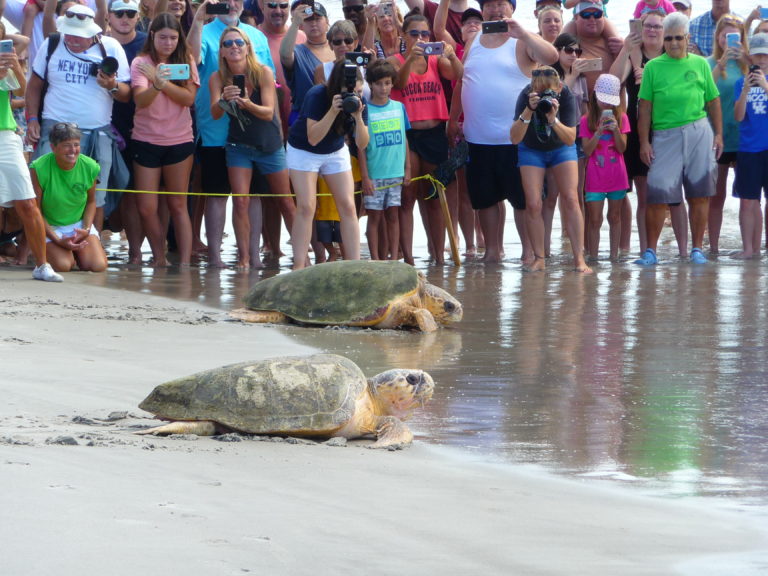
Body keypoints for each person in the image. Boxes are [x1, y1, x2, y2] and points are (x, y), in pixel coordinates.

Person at [449, 0, 559, 264]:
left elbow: (552, 57)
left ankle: (528, 253)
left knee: (522, 201)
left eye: (502, 4)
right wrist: (452, 120)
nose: (496, 9)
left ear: (512, 9)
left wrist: (524, 33)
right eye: (490, 4)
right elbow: (464, 80)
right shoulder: (474, 39)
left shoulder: (521, 39)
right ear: (482, 9)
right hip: (478, 137)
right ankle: (492, 252)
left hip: (517, 138)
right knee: (485, 199)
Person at [25, 4, 131, 233]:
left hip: (97, 131)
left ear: (92, 32)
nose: (72, 40)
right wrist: (32, 118)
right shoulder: (52, 43)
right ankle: (40, 246)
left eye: (78, 36)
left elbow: (126, 95)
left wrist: (112, 85)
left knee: (97, 196)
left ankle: (91, 242)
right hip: (54, 129)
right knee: (42, 191)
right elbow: (34, 85)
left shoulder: (111, 47)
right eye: (69, 34)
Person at [187, 0, 275, 268]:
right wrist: (198, 20)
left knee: (253, 196)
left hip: (253, 134)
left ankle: (252, 256)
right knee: (216, 194)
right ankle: (215, 257)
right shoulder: (204, 31)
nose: (232, 4)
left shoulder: (256, 36)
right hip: (215, 131)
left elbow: (271, 85)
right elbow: (191, 59)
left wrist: (276, 132)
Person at [636, 11, 723, 266]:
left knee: (699, 193)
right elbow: (644, 107)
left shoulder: (700, 64)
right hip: (665, 135)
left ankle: (697, 250)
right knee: (658, 194)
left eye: (678, 38)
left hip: (699, 132)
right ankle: (651, 252)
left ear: (687, 38)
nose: (673, 43)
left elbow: (713, 100)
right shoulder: (653, 67)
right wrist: (644, 142)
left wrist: (719, 134)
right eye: (669, 38)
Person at [610, 9, 688, 257]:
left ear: (666, 31)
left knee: (674, 195)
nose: (653, 30)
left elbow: (685, 89)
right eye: (648, 26)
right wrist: (625, 49)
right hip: (636, 130)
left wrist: (654, 79)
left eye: (658, 26)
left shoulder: (672, 55)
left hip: (667, 128)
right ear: (640, 29)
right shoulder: (634, 54)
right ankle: (647, 251)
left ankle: (684, 252)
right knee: (644, 195)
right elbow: (611, 84)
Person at [388, 11, 462, 265]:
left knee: (434, 196)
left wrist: (451, 55)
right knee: (407, 198)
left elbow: (457, 75)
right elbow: (398, 84)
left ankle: (438, 256)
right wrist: (410, 58)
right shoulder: (394, 60)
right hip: (407, 133)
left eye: (424, 34)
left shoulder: (434, 60)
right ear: (403, 35)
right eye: (414, 34)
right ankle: (408, 258)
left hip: (433, 132)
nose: (420, 39)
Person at [210, 27, 287, 269]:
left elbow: (268, 112)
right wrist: (224, 99)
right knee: (240, 201)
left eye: (239, 42)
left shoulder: (262, 72)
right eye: (228, 43)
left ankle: (303, 259)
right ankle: (244, 258)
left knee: (285, 201)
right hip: (238, 145)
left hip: (269, 144)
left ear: (247, 47)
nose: (234, 46)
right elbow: (214, 113)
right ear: (222, 51)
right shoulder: (217, 78)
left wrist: (246, 103)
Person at [286, 60, 368, 269]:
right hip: (303, 149)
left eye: (359, 91)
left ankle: (354, 265)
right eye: (349, 93)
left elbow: (362, 143)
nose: (353, 96)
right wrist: (333, 111)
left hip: (335, 149)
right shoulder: (317, 95)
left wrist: (358, 118)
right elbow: (313, 138)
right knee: (306, 206)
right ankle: (299, 266)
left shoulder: (359, 101)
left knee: (348, 205)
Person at [130, 12, 198, 266]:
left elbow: (188, 99)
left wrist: (162, 82)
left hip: (179, 140)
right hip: (146, 139)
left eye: (173, 38)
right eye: (163, 38)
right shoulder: (141, 62)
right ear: (152, 36)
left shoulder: (185, 61)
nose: (168, 43)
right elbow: (140, 100)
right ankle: (159, 257)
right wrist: (156, 86)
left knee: (178, 204)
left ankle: (184, 263)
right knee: (146, 207)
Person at [510, 66, 591, 273]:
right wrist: (528, 110)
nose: (544, 95)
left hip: (561, 147)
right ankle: (539, 258)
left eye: (549, 91)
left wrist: (553, 119)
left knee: (571, 198)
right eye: (540, 91)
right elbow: (514, 138)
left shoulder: (566, 95)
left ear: (559, 87)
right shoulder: (525, 95)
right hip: (531, 149)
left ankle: (579, 259)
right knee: (533, 203)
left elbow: (571, 138)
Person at [0, 40, 63, 281]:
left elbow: (20, 92)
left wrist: (15, 67)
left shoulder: (4, 62)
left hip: (5, 135)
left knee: (27, 202)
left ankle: (42, 265)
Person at [29, 122, 108, 273]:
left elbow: (91, 202)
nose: (73, 150)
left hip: (78, 225)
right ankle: (58, 252)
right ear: (53, 148)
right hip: (50, 226)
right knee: (63, 266)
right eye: (66, 145)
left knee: (98, 266)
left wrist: (86, 229)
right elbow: (36, 210)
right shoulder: (38, 167)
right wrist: (57, 240)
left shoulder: (90, 166)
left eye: (76, 145)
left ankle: (77, 253)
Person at [105, 0, 146, 264]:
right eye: (119, 13)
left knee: (133, 194)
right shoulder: (99, 42)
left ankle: (135, 253)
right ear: (108, 16)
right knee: (100, 192)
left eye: (130, 13)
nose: (124, 17)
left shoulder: (147, 43)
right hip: (104, 124)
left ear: (137, 17)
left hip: (140, 126)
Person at [359, 59, 410, 260]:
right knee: (374, 217)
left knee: (393, 216)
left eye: (387, 83)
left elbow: (404, 139)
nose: (383, 88)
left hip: (396, 172)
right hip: (374, 173)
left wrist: (408, 169)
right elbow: (361, 147)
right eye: (379, 83)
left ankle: (394, 258)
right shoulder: (364, 111)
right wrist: (365, 177)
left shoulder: (399, 107)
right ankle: (375, 259)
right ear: (370, 84)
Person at [707, 13, 747, 254]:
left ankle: (749, 246)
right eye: (725, 35)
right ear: (718, 37)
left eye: (734, 36)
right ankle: (712, 248)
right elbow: (703, 92)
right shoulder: (709, 63)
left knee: (748, 197)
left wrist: (746, 60)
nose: (728, 40)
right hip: (717, 136)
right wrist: (720, 65)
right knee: (716, 195)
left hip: (744, 138)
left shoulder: (748, 63)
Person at [580, 74, 628, 261]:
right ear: (595, 96)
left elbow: (622, 148)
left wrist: (615, 130)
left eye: (610, 101)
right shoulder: (586, 120)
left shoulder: (622, 118)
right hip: (595, 178)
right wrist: (598, 132)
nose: (606, 104)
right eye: (603, 100)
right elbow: (587, 150)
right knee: (594, 219)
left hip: (617, 176)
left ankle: (614, 257)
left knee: (615, 217)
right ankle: (593, 257)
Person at [733, 32, 768, 259]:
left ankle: (760, 248)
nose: (762, 60)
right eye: (758, 55)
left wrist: (765, 87)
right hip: (748, 149)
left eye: (766, 55)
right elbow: (738, 116)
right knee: (748, 201)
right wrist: (746, 90)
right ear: (751, 57)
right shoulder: (740, 82)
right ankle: (749, 249)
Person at [280, 0, 333, 125]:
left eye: (318, 19)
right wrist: (295, 23)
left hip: (335, 115)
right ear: (302, 25)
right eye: (308, 19)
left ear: (327, 21)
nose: (313, 23)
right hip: (304, 117)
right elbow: (285, 54)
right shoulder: (297, 52)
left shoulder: (339, 47)